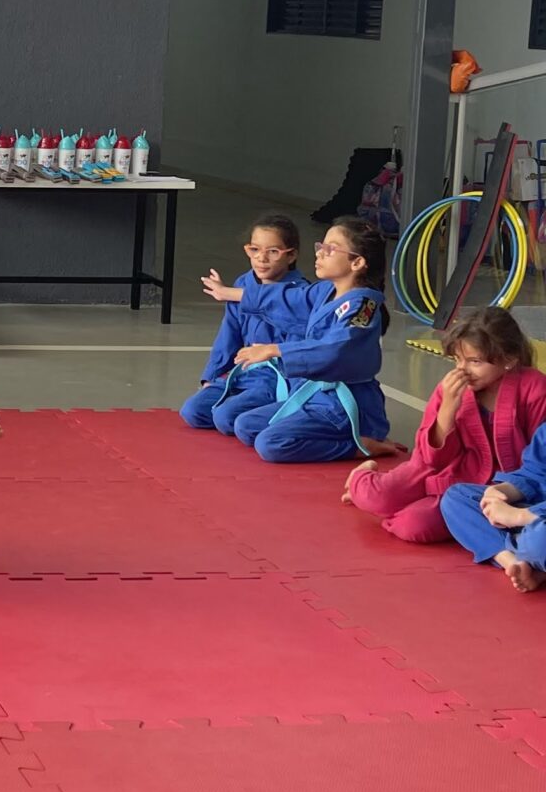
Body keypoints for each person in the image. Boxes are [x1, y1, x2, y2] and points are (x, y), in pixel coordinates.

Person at [345, 306, 546, 544]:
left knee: (414, 525)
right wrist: (448, 407)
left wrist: (512, 492)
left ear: (509, 360)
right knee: (379, 496)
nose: (462, 369)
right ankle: (361, 478)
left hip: (509, 489)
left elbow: (539, 460)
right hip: (451, 476)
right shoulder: (449, 389)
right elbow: (430, 459)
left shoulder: (534, 389)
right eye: (457, 359)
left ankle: (470, 525)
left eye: (475, 361)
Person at [215, 217, 390, 463]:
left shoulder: (364, 307)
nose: (320, 253)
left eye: (331, 249)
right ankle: (330, 433)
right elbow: (285, 299)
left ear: (357, 262)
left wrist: (275, 349)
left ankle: (357, 445)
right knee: (245, 425)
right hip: (316, 396)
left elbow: (337, 349)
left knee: (270, 444)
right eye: (321, 246)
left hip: (345, 405)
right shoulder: (324, 291)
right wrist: (227, 293)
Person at [180, 214, 311, 430]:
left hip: (276, 376)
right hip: (245, 372)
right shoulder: (243, 283)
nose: (261, 258)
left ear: (291, 255)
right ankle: (246, 406)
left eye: (273, 251)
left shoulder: (301, 293)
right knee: (193, 411)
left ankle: (281, 409)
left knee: (225, 417)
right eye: (255, 249)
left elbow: (297, 347)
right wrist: (211, 377)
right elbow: (229, 334)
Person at [441, 408, 546, 591]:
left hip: (536, 525)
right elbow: (534, 474)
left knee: (539, 542)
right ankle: (513, 562)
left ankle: (532, 553)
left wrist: (519, 516)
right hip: (535, 513)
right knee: (457, 497)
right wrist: (501, 491)